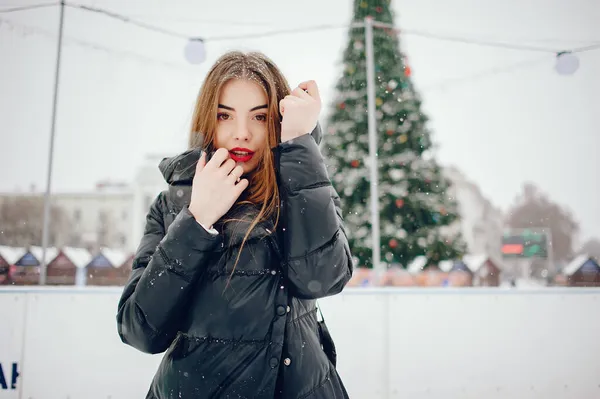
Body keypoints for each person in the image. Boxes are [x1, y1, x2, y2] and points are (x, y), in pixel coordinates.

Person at [116, 51, 353, 398]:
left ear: (276, 121)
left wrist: (300, 145)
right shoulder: (173, 205)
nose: (241, 133)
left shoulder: (301, 190)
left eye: (258, 117)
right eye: (224, 115)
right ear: (207, 120)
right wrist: (197, 220)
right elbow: (140, 330)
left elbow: (324, 277)